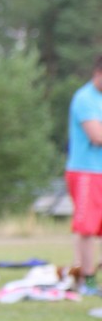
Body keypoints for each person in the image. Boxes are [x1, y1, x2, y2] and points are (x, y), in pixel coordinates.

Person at [66, 54, 102, 295]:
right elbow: (97, 136)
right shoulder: (85, 98)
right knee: (86, 228)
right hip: (87, 171)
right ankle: (86, 279)